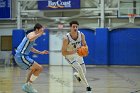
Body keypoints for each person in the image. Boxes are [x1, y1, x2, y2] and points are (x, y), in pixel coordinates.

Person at [14, 23, 49, 93]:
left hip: (23, 56)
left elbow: (31, 48)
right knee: (40, 68)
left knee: (34, 69)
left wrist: (41, 52)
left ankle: (27, 85)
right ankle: (28, 86)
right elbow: (30, 38)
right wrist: (39, 34)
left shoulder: (33, 36)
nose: (42, 32)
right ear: (37, 30)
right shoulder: (31, 34)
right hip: (21, 56)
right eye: (41, 30)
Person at [61, 21, 92, 93]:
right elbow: (63, 52)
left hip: (78, 54)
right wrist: (74, 51)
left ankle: (77, 75)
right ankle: (88, 87)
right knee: (79, 68)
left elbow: (84, 44)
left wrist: (86, 50)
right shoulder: (66, 38)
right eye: (73, 26)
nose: (75, 28)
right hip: (69, 56)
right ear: (70, 27)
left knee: (84, 71)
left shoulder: (81, 35)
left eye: (76, 27)